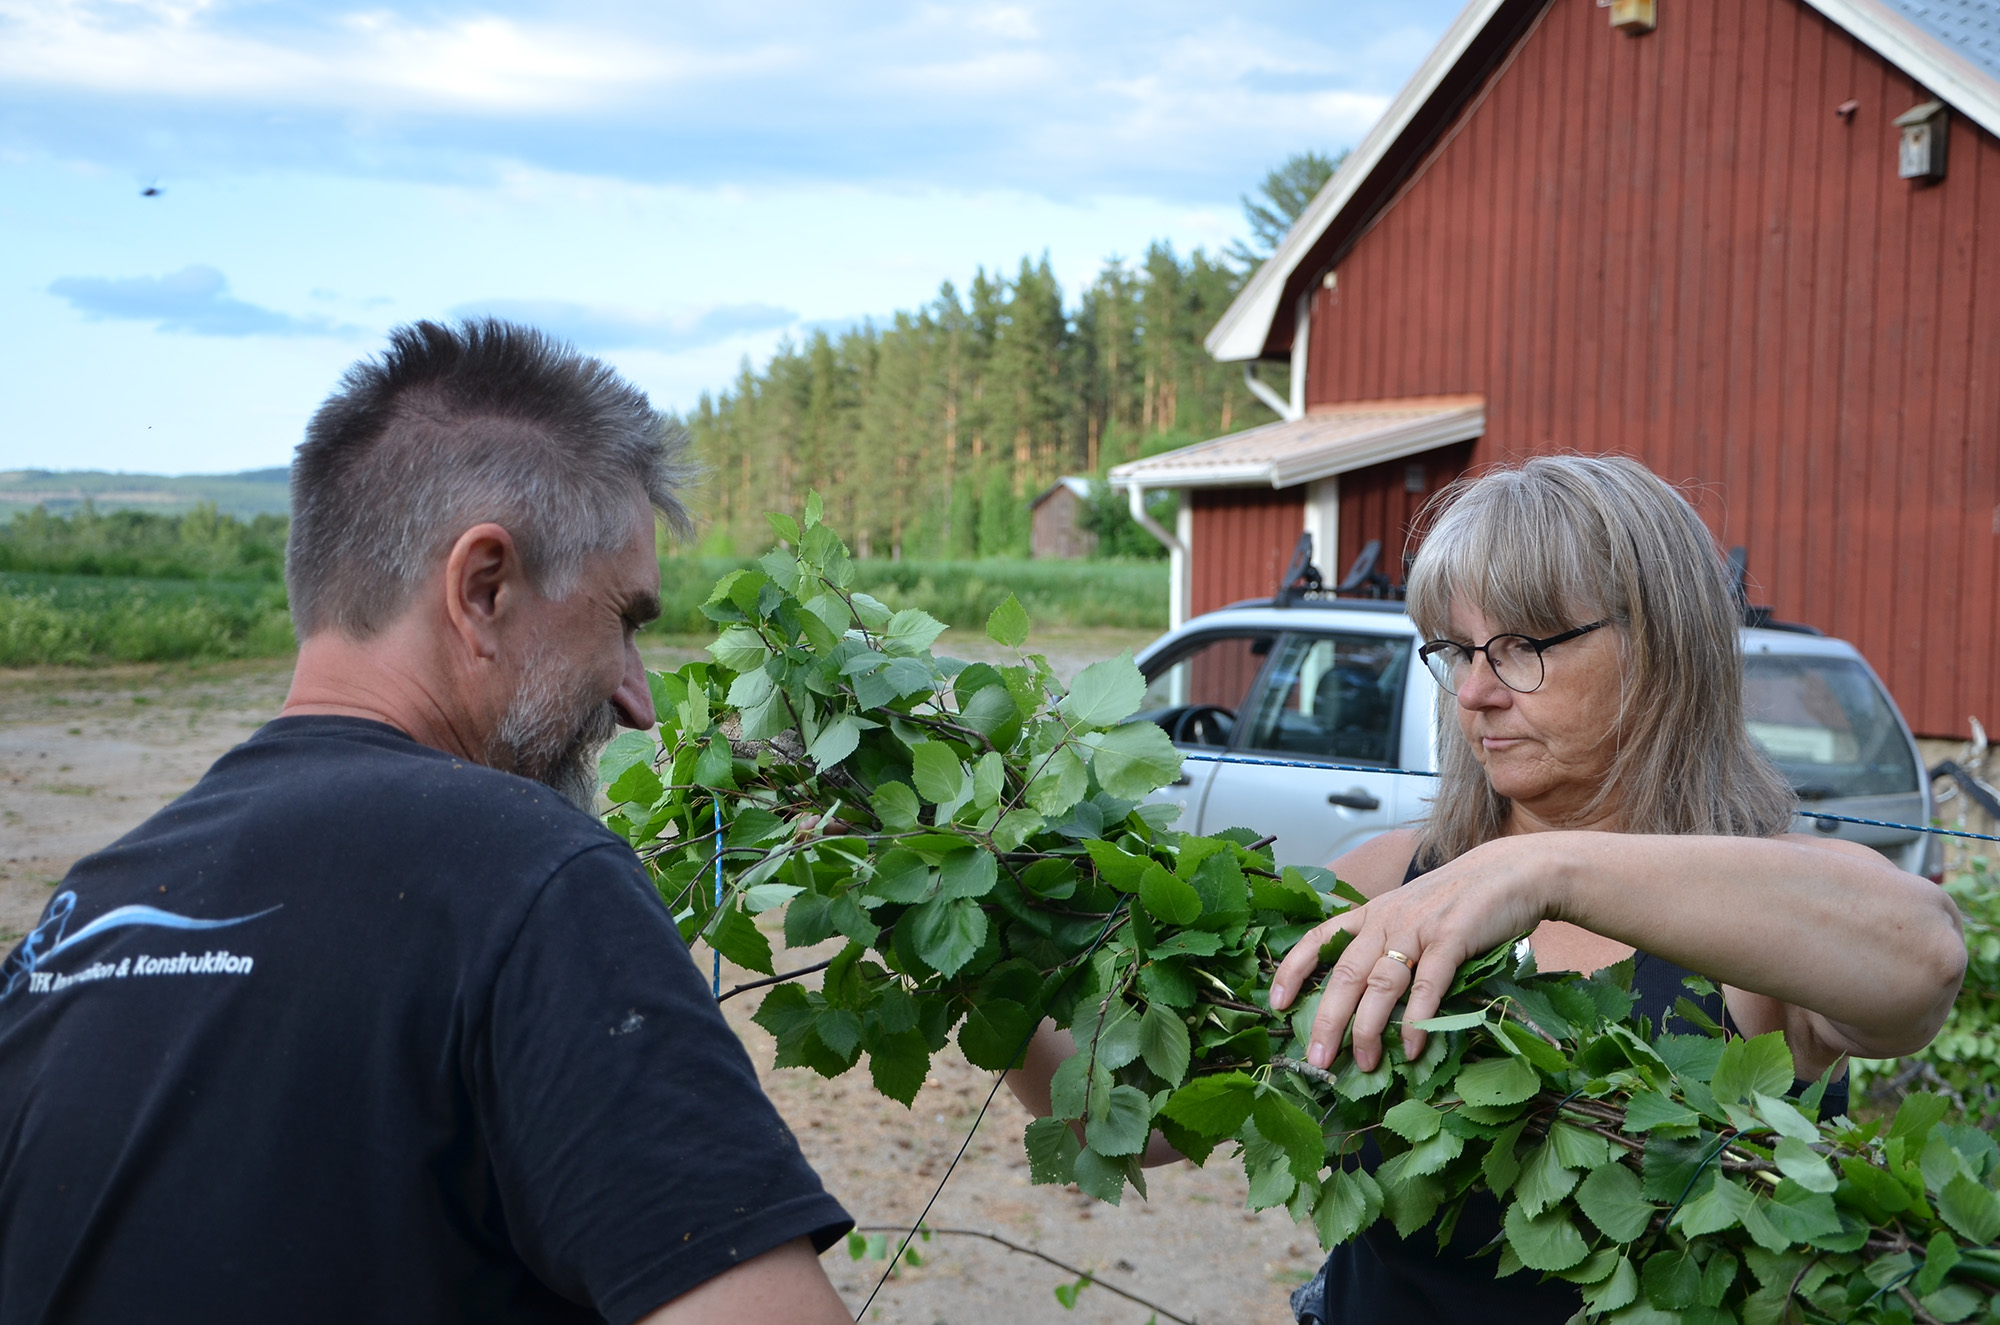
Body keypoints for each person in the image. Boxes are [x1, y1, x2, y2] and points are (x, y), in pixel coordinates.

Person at [0, 320, 856, 1325]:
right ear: (483, 587)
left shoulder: (76, 919)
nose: (638, 698)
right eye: (624, 618)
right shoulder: (534, 878)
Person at [1012, 455, 1967, 1325]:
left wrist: (1543, 868)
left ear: (1663, 644)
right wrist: (993, 953)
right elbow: (1124, 1123)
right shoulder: (1389, 884)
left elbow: (1922, 958)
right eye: (1457, 650)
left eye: (1520, 645)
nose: (1475, 692)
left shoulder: (1753, 920)